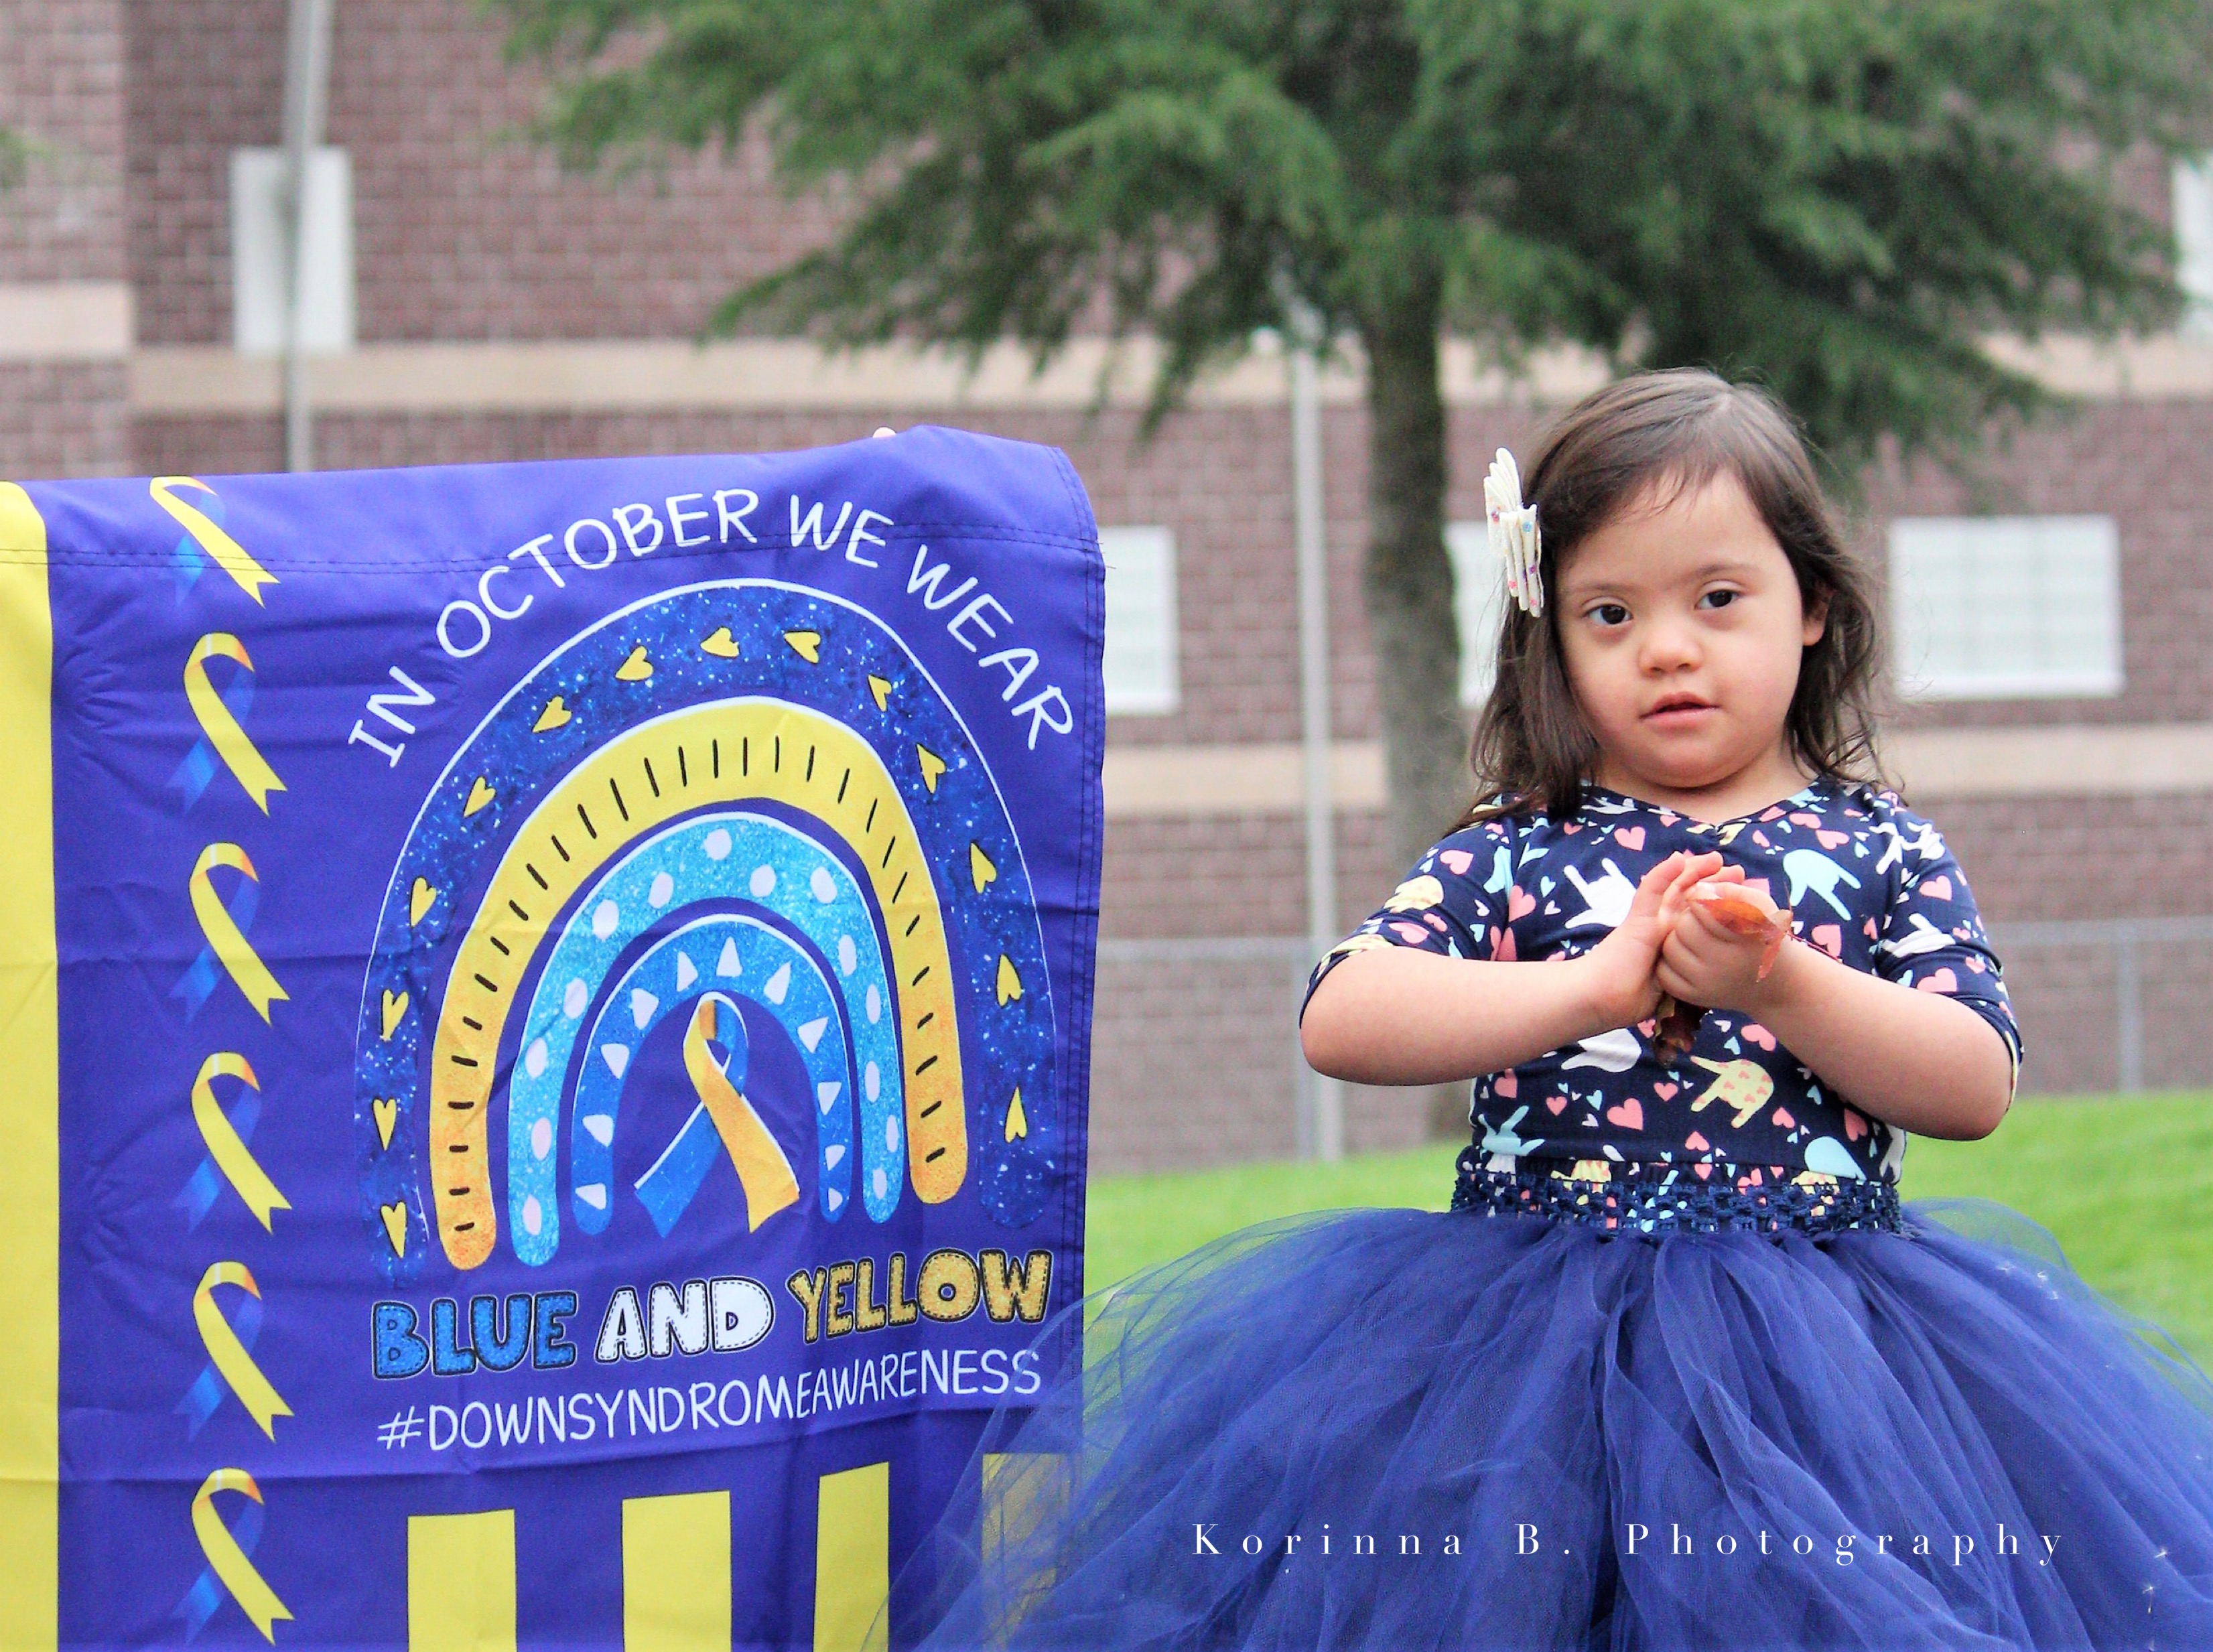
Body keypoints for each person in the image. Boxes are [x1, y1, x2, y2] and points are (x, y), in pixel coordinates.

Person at [875, 368, 2213, 1650]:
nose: (1666, 649)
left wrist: (1781, 984)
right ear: (1547, 634)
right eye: (1609, 615)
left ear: (1810, 608)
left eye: (1716, 598)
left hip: (1830, 1373)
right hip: (1518, 1357)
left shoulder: (1881, 850)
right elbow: (1343, 1015)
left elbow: (1970, 1081)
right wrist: (1590, 985)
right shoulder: (1520, 848)